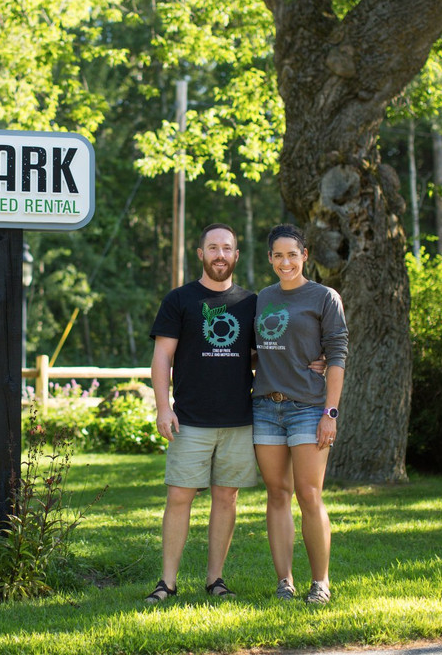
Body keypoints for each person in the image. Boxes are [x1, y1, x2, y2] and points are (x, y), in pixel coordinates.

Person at [144, 223, 259, 604]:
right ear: (201, 253)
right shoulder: (180, 300)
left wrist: (313, 361)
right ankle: (167, 583)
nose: (220, 255)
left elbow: (265, 353)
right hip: (189, 419)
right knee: (179, 496)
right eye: (213, 248)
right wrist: (164, 407)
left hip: (238, 419)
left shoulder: (252, 303)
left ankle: (215, 580)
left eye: (227, 248)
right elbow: (162, 357)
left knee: (226, 499)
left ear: (236, 255)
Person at [252, 223, 347, 605]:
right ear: (270, 258)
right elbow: (256, 350)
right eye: (278, 255)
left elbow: (337, 356)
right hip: (265, 407)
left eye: (292, 254)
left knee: (309, 494)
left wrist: (330, 413)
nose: (285, 262)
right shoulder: (262, 298)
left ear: (305, 255)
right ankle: (285, 582)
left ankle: (320, 583)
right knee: (277, 493)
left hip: (308, 408)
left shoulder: (324, 297)